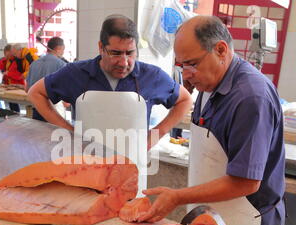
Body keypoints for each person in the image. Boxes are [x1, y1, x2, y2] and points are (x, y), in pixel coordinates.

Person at [142, 16, 286, 225]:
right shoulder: (210, 84)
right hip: (213, 211)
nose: (186, 74)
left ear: (220, 50)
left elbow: (246, 182)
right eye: (181, 66)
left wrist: (178, 197)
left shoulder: (251, 98)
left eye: (192, 64)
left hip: (246, 218)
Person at [28, 14, 193, 149]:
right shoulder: (76, 73)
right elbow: (36, 93)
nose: (124, 62)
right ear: (101, 47)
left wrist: (156, 134)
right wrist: (68, 131)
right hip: (86, 162)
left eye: (130, 53)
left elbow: (184, 99)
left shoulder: (151, 76)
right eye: (115, 53)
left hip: (132, 164)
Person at [25, 36, 68, 122]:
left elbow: (27, 89)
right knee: (54, 134)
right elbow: (66, 92)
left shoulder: (34, 64)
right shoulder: (61, 65)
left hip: (37, 108)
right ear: (58, 48)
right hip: (54, 111)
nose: (63, 52)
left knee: (39, 134)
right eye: (63, 50)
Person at [0, 44, 23, 113]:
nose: (8, 57)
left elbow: (20, 76)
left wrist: (8, 73)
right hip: (10, 86)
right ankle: (13, 115)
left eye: (10, 55)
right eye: (6, 55)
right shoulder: (7, 61)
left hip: (18, 86)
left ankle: (16, 116)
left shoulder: (18, 61)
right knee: (12, 104)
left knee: (15, 105)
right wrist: (5, 59)